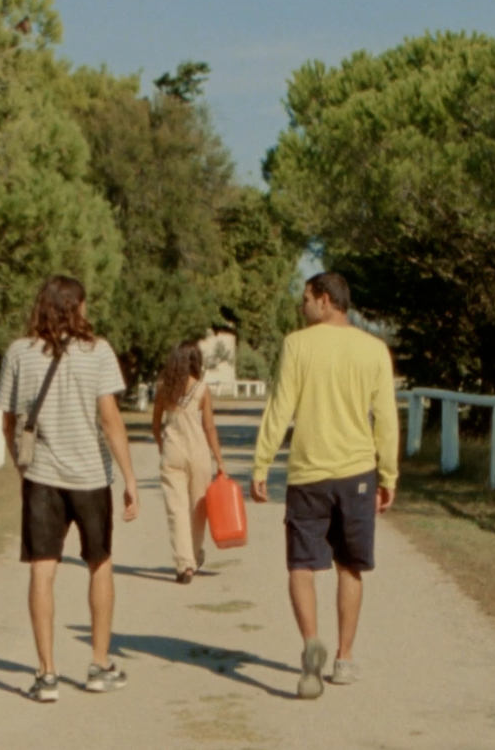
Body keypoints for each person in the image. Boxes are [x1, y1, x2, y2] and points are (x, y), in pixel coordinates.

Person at [251, 272, 398, 700]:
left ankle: (311, 640)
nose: (303, 306)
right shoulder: (374, 350)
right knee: (350, 565)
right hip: (356, 474)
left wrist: (262, 462)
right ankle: (344, 658)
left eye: (307, 298)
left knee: (301, 564)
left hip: (308, 475)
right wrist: (388, 474)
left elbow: (281, 407)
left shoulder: (298, 344)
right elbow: (386, 419)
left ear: (327, 300)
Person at [0, 275, 141, 703]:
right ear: (76, 308)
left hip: (41, 477)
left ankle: (46, 674)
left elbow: (7, 420)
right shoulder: (98, 352)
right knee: (100, 564)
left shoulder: (19, 353)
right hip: (91, 478)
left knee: (43, 568)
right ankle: (99, 664)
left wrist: (23, 468)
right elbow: (110, 419)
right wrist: (129, 478)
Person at [150, 340, 226, 584]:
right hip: (198, 453)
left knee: (176, 510)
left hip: (172, 452)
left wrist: (162, 446)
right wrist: (220, 460)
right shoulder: (202, 390)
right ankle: (193, 555)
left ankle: (185, 564)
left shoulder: (164, 388)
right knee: (197, 508)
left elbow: (155, 424)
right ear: (196, 361)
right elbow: (210, 427)